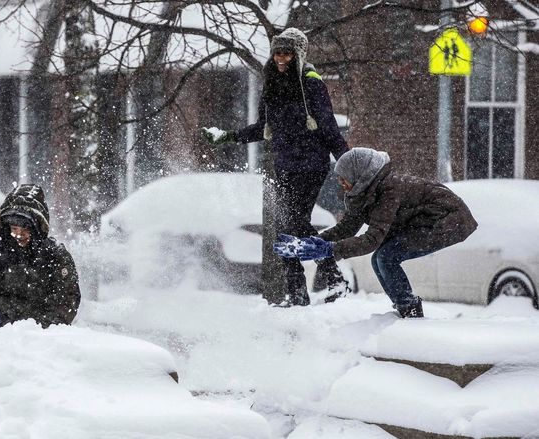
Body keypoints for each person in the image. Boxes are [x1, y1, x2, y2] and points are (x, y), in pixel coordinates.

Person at [201, 27, 350, 306]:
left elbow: (329, 127)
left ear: (299, 54)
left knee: (293, 222)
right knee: (287, 225)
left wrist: (348, 163)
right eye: (278, 53)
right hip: (284, 164)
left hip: (311, 164)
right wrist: (229, 136)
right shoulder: (270, 84)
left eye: (287, 53)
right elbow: (262, 128)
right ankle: (298, 292)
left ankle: (332, 278)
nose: (281, 59)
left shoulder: (311, 84)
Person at [273, 147, 478, 318]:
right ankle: (406, 309)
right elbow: (347, 228)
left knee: (386, 257)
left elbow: (372, 239)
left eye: (344, 179)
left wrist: (330, 249)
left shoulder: (389, 189)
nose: (341, 184)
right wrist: (313, 242)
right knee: (380, 259)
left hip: (447, 220)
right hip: (421, 221)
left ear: (359, 174)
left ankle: (410, 312)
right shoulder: (364, 192)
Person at [0, 184, 81, 328]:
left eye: (25, 229)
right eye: (14, 228)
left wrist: (48, 328)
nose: (18, 235)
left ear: (37, 228)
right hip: (1, 332)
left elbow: (68, 298)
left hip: (43, 335)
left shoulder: (55, 255)